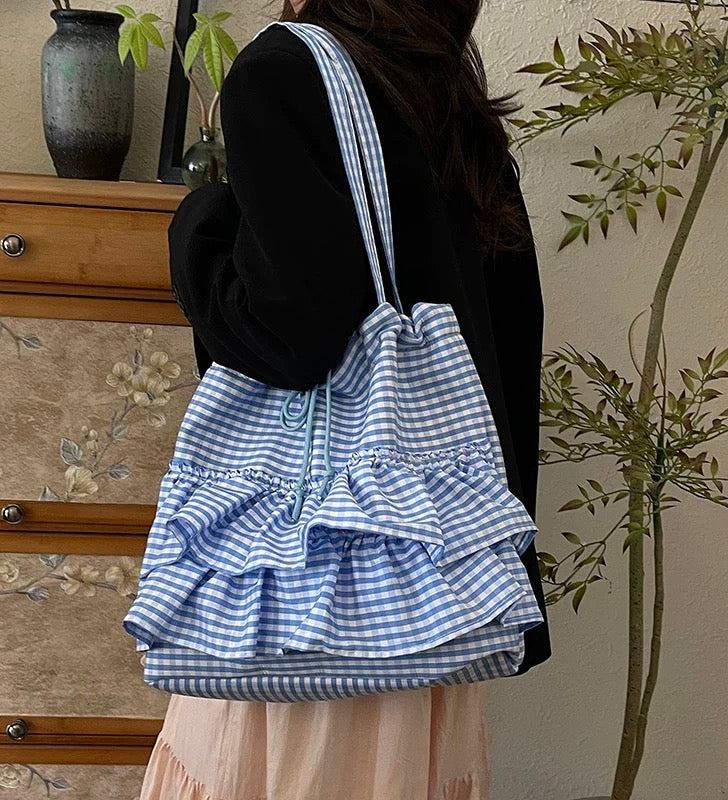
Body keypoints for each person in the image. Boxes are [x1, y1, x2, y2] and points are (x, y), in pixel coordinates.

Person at [140, 1, 551, 798]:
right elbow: (509, 348)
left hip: (306, 602)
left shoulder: (284, 72)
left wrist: (197, 226)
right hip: (431, 602)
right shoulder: (448, 95)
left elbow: (294, 335)